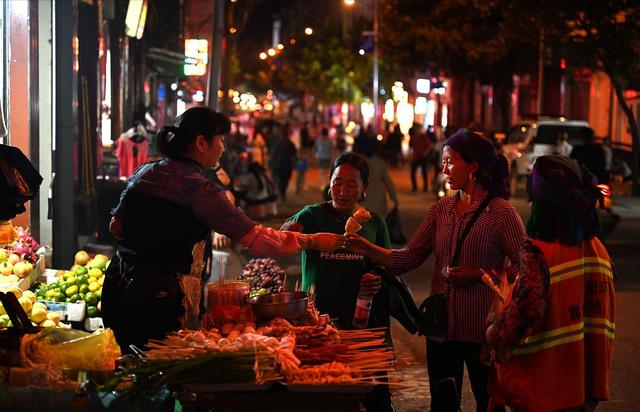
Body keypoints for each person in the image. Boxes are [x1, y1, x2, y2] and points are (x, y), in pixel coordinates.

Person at [102, 107, 343, 352]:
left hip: (118, 285)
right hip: (159, 298)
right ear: (201, 143)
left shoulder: (146, 172)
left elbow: (116, 227)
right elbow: (258, 240)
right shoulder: (199, 190)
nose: (223, 148)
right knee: (161, 368)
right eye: (221, 140)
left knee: (127, 366)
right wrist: (312, 241)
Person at [346, 129, 526, 411]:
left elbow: (526, 268)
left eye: (450, 162)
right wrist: (368, 248)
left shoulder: (501, 213)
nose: (443, 169)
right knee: (443, 404)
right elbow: (409, 257)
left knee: (489, 402)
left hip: (483, 332)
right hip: (441, 330)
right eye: (442, 162)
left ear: (473, 166)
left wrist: (480, 274)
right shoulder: (440, 210)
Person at [486, 155, 616, 411]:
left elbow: (526, 309)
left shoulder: (539, 251)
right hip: (584, 386)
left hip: (544, 386)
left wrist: (493, 331)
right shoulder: (598, 250)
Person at [281, 152, 395, 412]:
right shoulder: (312, 215)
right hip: (319, 322)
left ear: (364, 188)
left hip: (362, 325)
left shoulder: (374, 223)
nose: (342, 190)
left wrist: (375, 280)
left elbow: (386, 265)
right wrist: (306, 236)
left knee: (373, 393)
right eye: (337, 182)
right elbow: (283, 237)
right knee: (324, 396)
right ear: (329, 182)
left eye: (352, 184)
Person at [353, 138, 398, 218]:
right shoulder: (379, 163)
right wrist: (394, 197)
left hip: (361, 198)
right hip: (378, 198)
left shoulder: (356, 163)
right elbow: (388, 182)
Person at [271, 126, 297, 201]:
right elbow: (294, 156)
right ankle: (282, 193)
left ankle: (282, 192)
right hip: (284, 165)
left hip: (283, 165)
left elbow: (274, 155)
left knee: (283, 180)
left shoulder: (283, 144)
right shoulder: (286, 144)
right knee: (283, 180)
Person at [409, 124, 432, 192]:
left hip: (423, 157)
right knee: (413, 172)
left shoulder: (423, 137)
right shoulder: (413, 137)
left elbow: (430, 146)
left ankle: (425, 187)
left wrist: (425, 153)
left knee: (424, 172)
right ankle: (415, 187)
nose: (417, 130)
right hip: (415, 157)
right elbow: (411, 147)